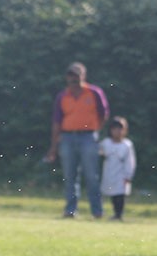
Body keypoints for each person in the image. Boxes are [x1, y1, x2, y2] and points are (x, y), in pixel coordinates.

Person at [44, 62, 109, 219]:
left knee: (91, 176)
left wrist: (95, 130)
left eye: (76, 75)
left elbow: (104, 114)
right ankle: (70, 210)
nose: (73, 78)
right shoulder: (62, 96)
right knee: (70, 176)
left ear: (83, 76)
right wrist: (54, 146)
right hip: (67, 137)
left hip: (88, 136)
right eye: (70, 75)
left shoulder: (94, 92)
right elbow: (57, 122)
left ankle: (97, 211)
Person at [99, 117, 136, 221]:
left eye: (120, 129)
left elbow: (130, 161)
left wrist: (129, 175)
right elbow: (99, 151)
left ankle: (119, 214)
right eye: (115, 129)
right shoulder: (106, 143)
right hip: (109, 171)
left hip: (122, 173)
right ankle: (112, 213)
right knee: (112, 194)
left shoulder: (127, 145)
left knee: (120, 195)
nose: (118, 131)